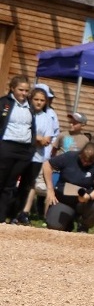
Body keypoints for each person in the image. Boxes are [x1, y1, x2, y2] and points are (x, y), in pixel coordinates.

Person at [41, 141, 94, 231]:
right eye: (83, 159)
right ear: (80, 154)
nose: (85, 163)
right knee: (54, 226)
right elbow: (47, 165)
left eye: (89, 162)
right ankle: (68, 223)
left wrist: (88, 197)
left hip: (84, 202)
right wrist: (50, 189)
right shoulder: (69, 156)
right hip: (64, 200)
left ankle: (84, 226)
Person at [13, 85, 55, 224]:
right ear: (31, 99)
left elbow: (47, 140)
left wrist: (35, 138)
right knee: (13, 180)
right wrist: (36, 138)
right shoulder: (25, 112)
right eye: (36, 99)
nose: (39, 102)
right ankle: (11, 209)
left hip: (37, 156)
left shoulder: (47, 118)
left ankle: (24, 212)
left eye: (42, 100)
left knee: (30, 184)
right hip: (21, 153)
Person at [0, 75, 35, 223]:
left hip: (23, 149)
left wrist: (31, 149)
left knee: (10, 184)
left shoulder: (30, 106)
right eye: (21, 90)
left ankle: (1, 218)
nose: (24, 93)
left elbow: (33, 127)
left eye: (26, 90)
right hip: (6, 146)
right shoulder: (4, 103)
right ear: (13, 88)